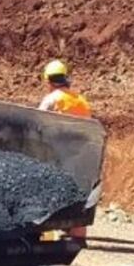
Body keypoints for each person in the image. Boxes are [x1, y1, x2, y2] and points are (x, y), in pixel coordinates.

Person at [38, 59, 92, 247]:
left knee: (47, 193)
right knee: (78, 196)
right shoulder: (80, 100)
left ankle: (45, 234)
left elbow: (38, 124)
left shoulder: (52, 99)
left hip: (58, 154)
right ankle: (78, 236)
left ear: (48, 80)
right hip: (82, 155)